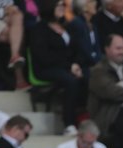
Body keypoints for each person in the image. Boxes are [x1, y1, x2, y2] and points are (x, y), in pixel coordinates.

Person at [29, 0, 87, 135]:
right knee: (71, 81)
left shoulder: (66, 26)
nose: (62, 7)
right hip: (46, 68)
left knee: (88, 76)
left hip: (67, 67)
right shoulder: (38, 29)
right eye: (59, 5)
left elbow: (75, 50)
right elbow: (43, 56)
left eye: (63, 5)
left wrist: (76, 64)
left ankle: (84, 118)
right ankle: (69, 123)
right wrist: (69, 66)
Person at [68, 0, 102, 73]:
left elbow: (97, 47)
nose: (95, 3)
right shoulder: (77, 24)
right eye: (91, 1)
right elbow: (83, 51)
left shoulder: (92, 25)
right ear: (84, 8)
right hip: (82, 66)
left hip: (94, 63)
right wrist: (98, 62)